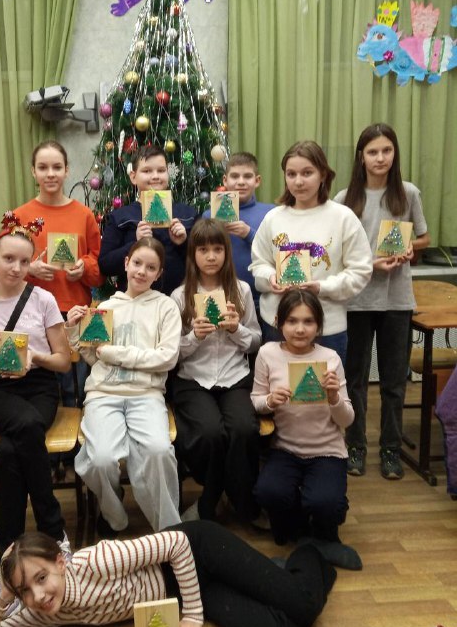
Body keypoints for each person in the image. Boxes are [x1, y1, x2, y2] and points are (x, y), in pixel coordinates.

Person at [0, 521, 337, 627]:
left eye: (41, 578)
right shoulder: (41, 611)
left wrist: (193, 615)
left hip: (197, 551)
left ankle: (310, 554)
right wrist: (3, 599)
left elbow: (177, 544)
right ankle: (273, 577)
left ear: (61, 562)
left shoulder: (96, 561)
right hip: (187, 590)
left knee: (303, 606)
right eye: (25, 591)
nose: (39, 595)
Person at [0, 212, 72, 560]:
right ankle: (52, 527)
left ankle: (9, 539)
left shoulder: (43, 299)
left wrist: (35, 357)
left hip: (39, 386)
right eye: (8, 258)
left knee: (9, 449)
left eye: (24, 261)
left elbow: (64, 361)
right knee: (28, 424)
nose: (16, 268)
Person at [66, 238, 182, 537]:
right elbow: (94, 357)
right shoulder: (106, 307)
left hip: (146, 395)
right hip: (104, 394)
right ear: (126, 264)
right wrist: (73, 330)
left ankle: (169, 531)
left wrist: (114, 353)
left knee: (159, 451)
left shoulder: (166, 307)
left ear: (159, 273)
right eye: (138, 263)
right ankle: (113, 515)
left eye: (151, 267)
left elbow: (166, 358)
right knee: (100, 459)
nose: (142, 271)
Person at [335, 123, 429, 480]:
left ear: (394, 153)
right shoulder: (345, 198)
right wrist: (367, 264)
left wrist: (409, 248)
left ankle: (391, 449)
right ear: (361, 156)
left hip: (396, 301)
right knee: (355, 380)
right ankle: (355, 446)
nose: (380, 158)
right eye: (372, 152)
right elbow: (336, 249)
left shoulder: (408, 193)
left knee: (393, 381)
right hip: (356, 301)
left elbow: (424, 237)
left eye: (386, 150)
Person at [251, 290, 362, 570]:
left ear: (319, 326)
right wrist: (269, 401)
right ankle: (300, 524)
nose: (300, 329)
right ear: (279, 323)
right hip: (285, 449)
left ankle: (325, 525)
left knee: (325, 503)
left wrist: (334, 398)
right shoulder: (267, 353)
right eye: (292, 321)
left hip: (327, 451)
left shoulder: (330, 358)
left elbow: (347, 420)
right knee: (268, 493)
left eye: (308, 321)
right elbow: (256, 401)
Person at [170, 218, 261, 522]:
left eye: (218, 249)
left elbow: (256, 341)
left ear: (226, 253)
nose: (211, 256)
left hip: (235, 377)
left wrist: (236, 330)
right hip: (193, 379)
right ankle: (220, 496)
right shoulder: (179, 296)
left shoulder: (241, 290)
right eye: (203, 250)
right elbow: (172, 354)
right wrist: (194, 336)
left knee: (243, 429)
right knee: (209, 433)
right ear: (193, 254)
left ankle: (219, 500)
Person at [249, 141, 372, 365]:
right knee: (277, 385)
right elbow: (259, 264)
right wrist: (271, 278)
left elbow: (361, 271)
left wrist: (321, 287)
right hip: (278, 325)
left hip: (326, 329)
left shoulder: (343, 217)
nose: (298, 181)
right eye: (291, 174)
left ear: (323, 174)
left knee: (325, 387)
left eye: (307, 173)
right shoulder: (273, 218)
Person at [15, 140, 103, 406]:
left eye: (56, 167)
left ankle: (75, 434)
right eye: (43, 167)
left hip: (73, 313)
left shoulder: (84, 215)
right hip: (32, 313)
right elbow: (5, 265)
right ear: (33, 172)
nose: (50, 173)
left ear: (67, 170)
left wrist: (83, 268)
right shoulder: (19, 217)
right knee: (40, 389)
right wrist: (29, 268)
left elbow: (99, 270)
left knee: (75, 391)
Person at [98, 144, 196, 295]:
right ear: (133, 177)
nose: (155, 176)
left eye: (161, 170)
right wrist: (135, 243)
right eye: (147, 171)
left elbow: (205, 260)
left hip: (179, 300)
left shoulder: (187, 214)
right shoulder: (120, 217)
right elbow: (105, 265)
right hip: (135, 303)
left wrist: (183, 242)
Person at [203, 152, 275, 313]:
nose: (241, 182)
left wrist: (249, 234)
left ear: (257, 181)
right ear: (225, 180)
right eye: (235, 176)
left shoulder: (271, 213)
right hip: (222, 297)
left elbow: (278, 253)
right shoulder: (209, 215)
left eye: (247, 176)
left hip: (263, 299)